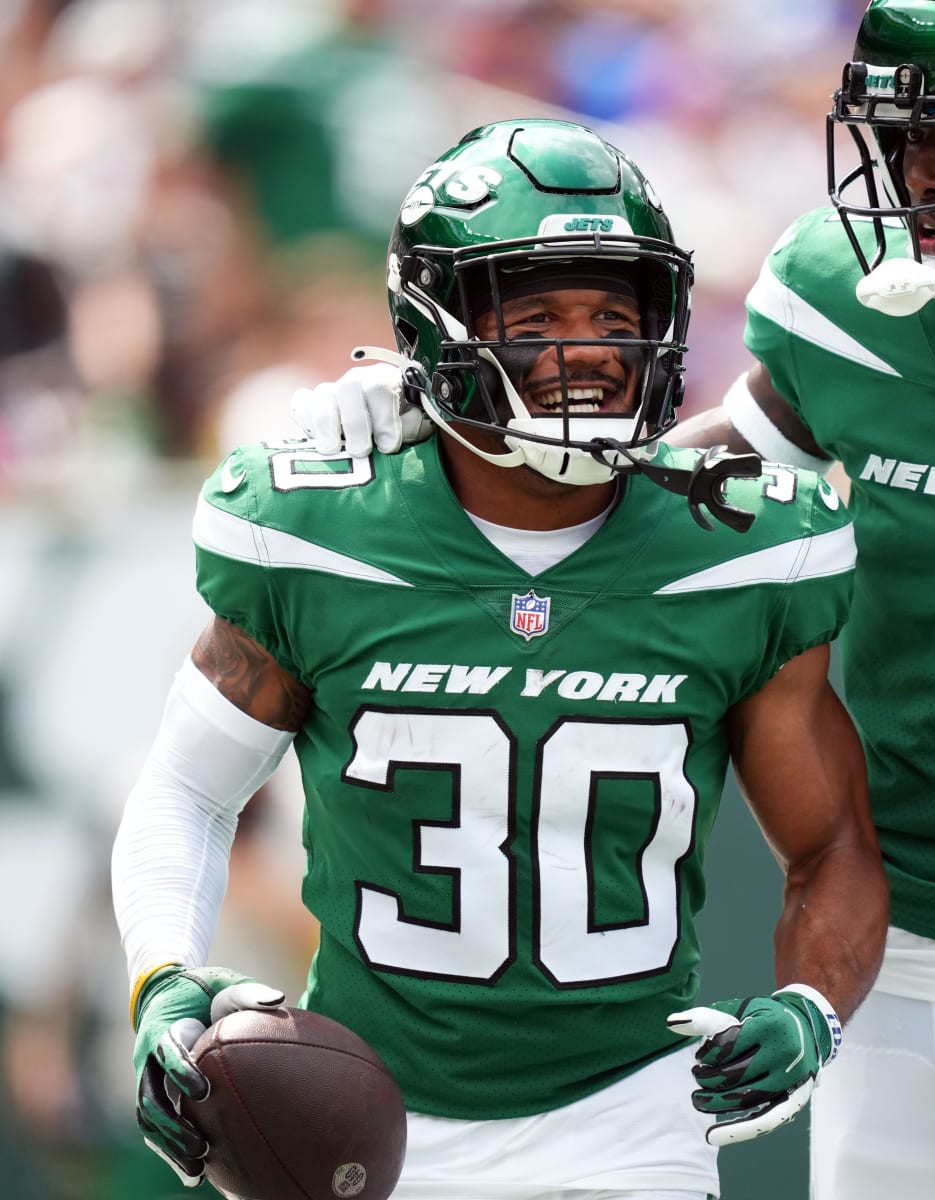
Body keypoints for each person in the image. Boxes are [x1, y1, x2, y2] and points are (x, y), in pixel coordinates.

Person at [294, 3, 935, 1197]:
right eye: (900, 134)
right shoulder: (836, 296)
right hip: (894, 953)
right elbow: (697, 484)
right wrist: (456, 425)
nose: (912, 174)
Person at [111, 118, 888, 1200]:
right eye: (537, 314)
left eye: (617, 313)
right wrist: (163, 976)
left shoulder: (747, 552)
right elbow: (188, 791)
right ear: (436, 328)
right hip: (368, 1113)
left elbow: (833, 844)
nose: (590, 352)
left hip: (636, 1114)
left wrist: (811, 1007)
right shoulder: (316, 527)